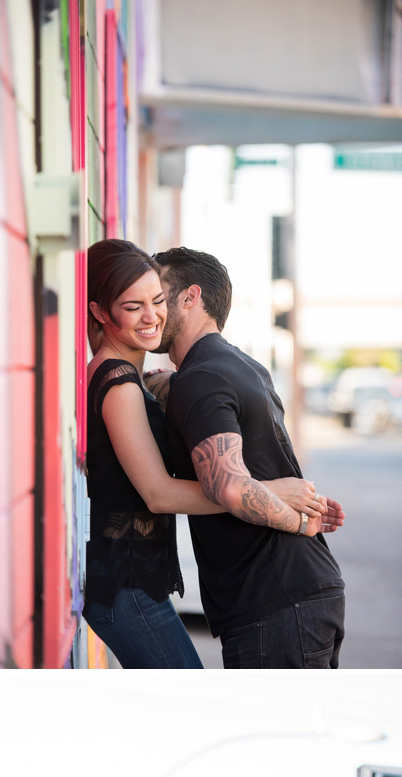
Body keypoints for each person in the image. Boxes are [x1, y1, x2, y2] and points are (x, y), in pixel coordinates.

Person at [83, 240, 336, 671]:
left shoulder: (145, 380)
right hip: (127, 587)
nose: (151, 316)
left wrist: (162, 386)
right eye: (133, 306)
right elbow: (160, 494)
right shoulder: (123, 381)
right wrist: (283, 501)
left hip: (147, 586)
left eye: (157, 301)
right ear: (101, 312)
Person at [153, 246, 346, 669]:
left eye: (157, 293)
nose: (150, 308)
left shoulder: (201, 377)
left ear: (190, 297)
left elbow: (231, 488)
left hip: (274, 603)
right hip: (302, 592)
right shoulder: (241, 366)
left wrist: (301, 521)